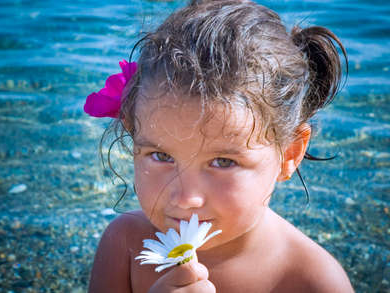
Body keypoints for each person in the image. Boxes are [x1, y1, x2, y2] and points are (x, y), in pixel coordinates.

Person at [86, 0, 354, 292]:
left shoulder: (313, 281)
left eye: (223, 162)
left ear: (289, 155)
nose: (186, 198)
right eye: (161, 155)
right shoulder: (124, 243)